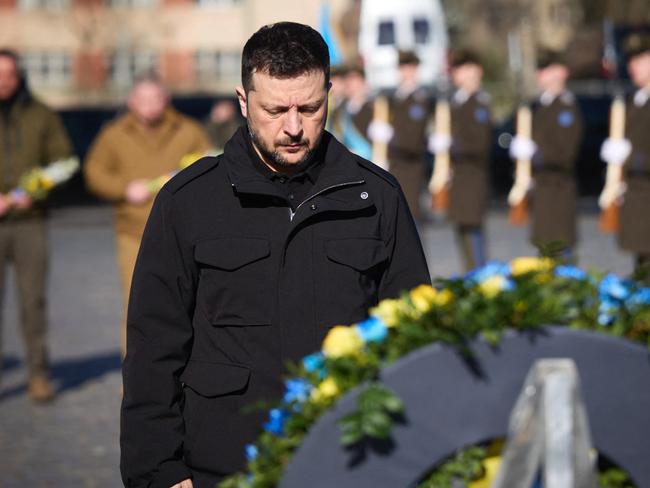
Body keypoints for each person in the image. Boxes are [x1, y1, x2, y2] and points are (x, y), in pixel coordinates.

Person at [120, 22, 430, 488]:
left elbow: (414, 340)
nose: (293, 127)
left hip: (347, 462)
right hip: (223, 463)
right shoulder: (188, 201)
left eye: (309, 107)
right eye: (274, 109)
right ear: (243, 102)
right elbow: (153, 346)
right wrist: (158, 469)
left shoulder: (376, 197)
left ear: (330, 94)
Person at [84, 75, 212, 355]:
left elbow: (209, 168)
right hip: (133, 232)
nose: (150, 106)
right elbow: (94, 172)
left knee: (187, 301)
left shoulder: (189, 131)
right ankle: (135, 377)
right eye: (142, 99)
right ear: (131, 102)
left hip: (183, 233)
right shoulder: (113, 134)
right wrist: (123, 189)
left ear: (166, 99)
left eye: (155, 99)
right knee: (137, 302)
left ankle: (186, 371)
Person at [0, 49, 74, 403]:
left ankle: (38, 374)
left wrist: (37, 189)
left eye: (10, 75)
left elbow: (63, 161)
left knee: (33, 303)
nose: (4, 81)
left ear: (20, 77)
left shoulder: (41, 114)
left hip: (30, 222)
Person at [508, 50, 583, 257]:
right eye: (541, 70)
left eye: (549, 69)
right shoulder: (541, 106)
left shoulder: (566, 108)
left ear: (562, 72)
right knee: (545, 255)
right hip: (541, 190)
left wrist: (534, 153)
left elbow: (565, 153)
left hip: (558, 191)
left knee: (561, 255)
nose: (543, 75)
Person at [429, 49, 492, 271]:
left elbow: (479, 143)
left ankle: (480, 281)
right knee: (463, 234)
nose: (462, 74)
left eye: (467, 69)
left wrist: (451, 144)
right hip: (459, 180)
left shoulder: (479, 103)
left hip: (472, 178)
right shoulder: (457, 102)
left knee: (473, 235)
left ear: (478, 71)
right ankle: (472, 278)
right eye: (459, 69)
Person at [600, 33, 650, 278]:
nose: (633, 67)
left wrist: (629, 157)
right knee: (641, 268)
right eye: (631, 61)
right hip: (637, 199)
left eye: (640, 60)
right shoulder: (634, 102)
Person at [368, 50, 433, 222]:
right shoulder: (395, 98)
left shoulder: (420, 100)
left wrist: (391, 136)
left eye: (411, 68)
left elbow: (413, 139)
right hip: (394, 164)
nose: (407, 72)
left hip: (410, 167)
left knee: (411, 219)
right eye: (403, 68)